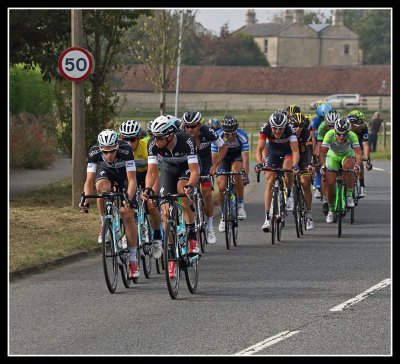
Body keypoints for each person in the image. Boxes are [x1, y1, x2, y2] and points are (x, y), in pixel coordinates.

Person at [142, 114, 200, 279]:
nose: (155, 140)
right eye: (154, 136)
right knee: (166, 211)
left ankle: (191, 236)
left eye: (159, 137)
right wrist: (148, 188)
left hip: (186, 169)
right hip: (168, 169)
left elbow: (194, 171)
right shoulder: (153, 144)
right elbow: (152, 171)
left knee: (182, 190)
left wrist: (190, 185)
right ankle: (171, 257)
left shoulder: (186, 140)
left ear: (170, 135)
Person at [80, 129, 140, 279]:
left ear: (117, 146)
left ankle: (133, 260)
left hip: (124, 176)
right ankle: (104, 224)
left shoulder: (126, 149)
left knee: (127, 215)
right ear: (100, 148)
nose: (109, 155)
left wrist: (128, 198)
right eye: (105, 152)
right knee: (101, 189)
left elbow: (132, 180)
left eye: (112, 151)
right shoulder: (94, 151)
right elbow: (89, 180)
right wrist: (86, 199)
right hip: (107, 173)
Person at [181, 110, 228, 244]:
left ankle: (209, 227)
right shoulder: (181, 134)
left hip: (206, 163)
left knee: (207, 194)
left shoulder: (208, 132)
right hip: (189, 164)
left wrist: (215, 165)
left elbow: (223, 147)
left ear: (199, 125)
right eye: (187, 126)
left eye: (193, 126)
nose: (190, 129)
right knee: (187, 192)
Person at [118, 120, 163, 259]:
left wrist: (153, 193)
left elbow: (153, 172)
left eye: (133, 139)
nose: (130, 143)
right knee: (125, 206)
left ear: (139, 138)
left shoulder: (147, 146)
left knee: (151, 204)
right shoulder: (120, 149)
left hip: (148, 175)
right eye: (126, 139)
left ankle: (157, 238)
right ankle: (127, 233)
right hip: (130, 177)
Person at [254, 112, 300, 232]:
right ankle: (267, 218)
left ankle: (289, 194)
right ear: (270, 125)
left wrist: (295, 165)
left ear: (285, 126)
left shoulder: (290, 129)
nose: (277, 131)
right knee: (270, 181)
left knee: (287, 168)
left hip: (287, 152)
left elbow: (295, 151)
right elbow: (259, 149)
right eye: (275, 128)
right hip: (273, 152)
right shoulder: (265, 128)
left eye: (280, 128)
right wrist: (259, 163)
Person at [211, 115, 250, 232]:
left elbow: (246, 158)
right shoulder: (217, 135)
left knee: (237, 173)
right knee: (221, 187)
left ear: (236, 131)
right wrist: (213, 169)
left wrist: (246, 175)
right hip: (223, 158)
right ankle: (224, 216)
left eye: (233, 134)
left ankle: (240, 206)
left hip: (237, 156)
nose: (230, 137)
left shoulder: (242, 136)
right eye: (227, 134)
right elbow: (213, 156)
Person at [319, 118, 362, 224]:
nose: (342, 137)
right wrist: (323, 166)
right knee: (329, 182)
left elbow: (358, 153)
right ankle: (331, 210)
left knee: (349, 167)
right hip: (332, 156)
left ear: (348, 132)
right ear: (335, 131)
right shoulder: (329, 135)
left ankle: (349, 196)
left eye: (344, 134)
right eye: (339, 134)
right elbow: (322, 153)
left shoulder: (352, 135)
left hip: (346, 155)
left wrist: (357, 165)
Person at [289, 113, 314, 229]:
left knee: (305, 182)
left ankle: (309, 214)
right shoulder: (287, 133)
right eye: (295, 125)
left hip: (303, 159)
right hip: (291, 158)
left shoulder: (306, 134)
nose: (298, 128)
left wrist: (309, 164)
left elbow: (309, 151)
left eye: (301, 125)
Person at [316, 109, 340, 213]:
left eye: (334, 125)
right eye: (329, 125)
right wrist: (321, 163)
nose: (332, 128)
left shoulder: (343, 126)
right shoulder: (322, 127)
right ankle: (325, 198)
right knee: (324, 172)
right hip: (327, 149)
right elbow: (320, 146)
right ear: (326, 123)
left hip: (340, 149)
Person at [348, 110, 373, 196]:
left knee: (359, 158)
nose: (362, 126)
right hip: (346, 145)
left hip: (358, 144)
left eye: (363, 123)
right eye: (360, 124)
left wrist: (368, 161)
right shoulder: (345, 128)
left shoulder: (364, 128)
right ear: (352, 125)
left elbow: (365, 145)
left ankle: (362, 186)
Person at [311, 103, 331, 198]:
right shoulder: (315, 120)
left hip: (332, 141)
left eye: (325, 117)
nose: (323, 120)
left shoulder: (334, 119)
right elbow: (313, 139)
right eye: (321, 118)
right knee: (318, 163)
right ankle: (318, 186)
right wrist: (315, 153)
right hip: (320, 139)